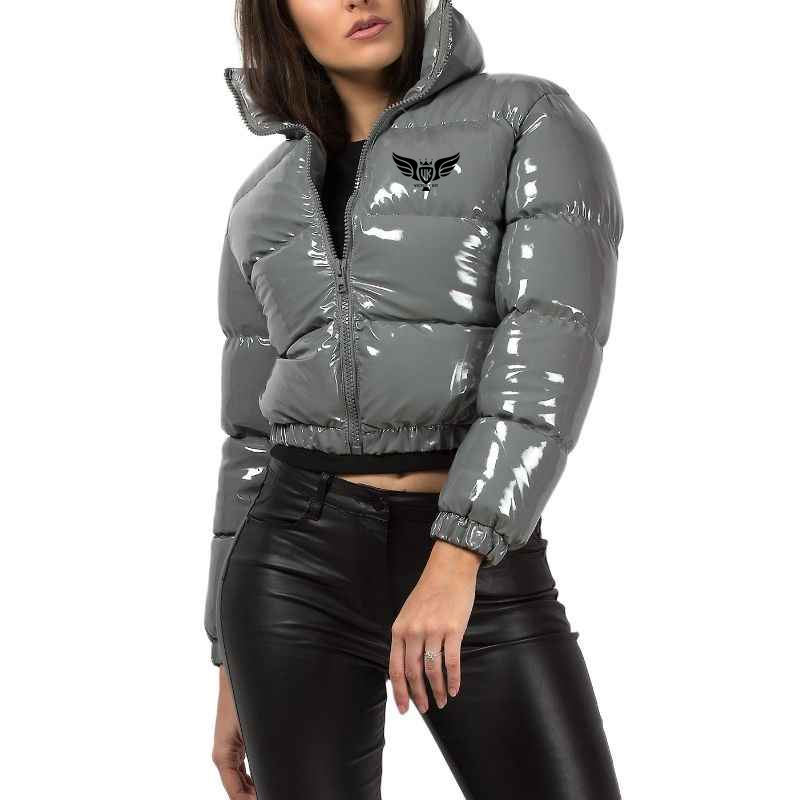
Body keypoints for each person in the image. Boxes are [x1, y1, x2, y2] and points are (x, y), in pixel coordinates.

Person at [203, 0, 624, 797]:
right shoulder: (261, 202)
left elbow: (549, 343)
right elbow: (249, 436)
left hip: (477, 560)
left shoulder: (526, 119)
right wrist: (230, 658)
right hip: (290, 566)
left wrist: (460, 552)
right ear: (279, 19)